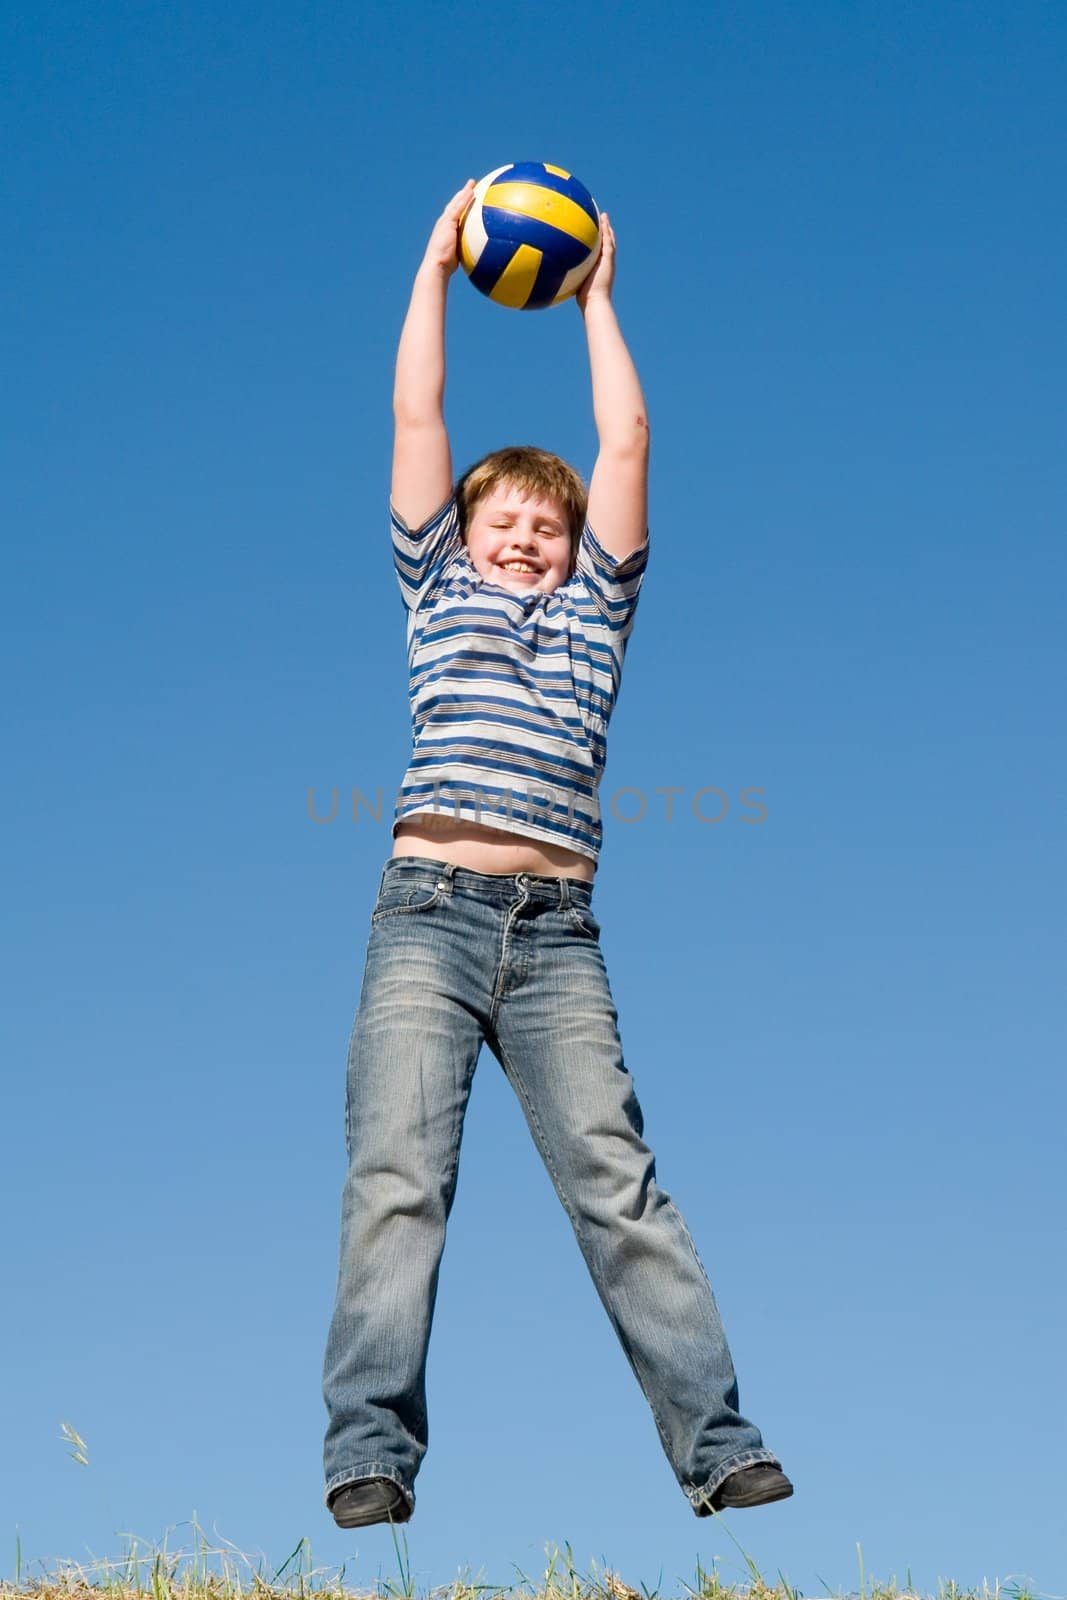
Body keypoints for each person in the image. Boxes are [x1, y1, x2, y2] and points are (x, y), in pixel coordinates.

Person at [321, 179, 793, 1528]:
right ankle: (368, 1456)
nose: (525, 535)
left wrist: (594, 296)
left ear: (578, 547)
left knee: (616, 1184)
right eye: (502, 522)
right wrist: (431, 266)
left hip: (558, 941)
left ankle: (719, 1447)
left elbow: (627, 436)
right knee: (397, 1188)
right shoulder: (436, 590)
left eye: (547, 522)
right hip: (425, 915)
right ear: (461, 542)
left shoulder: (597, 616)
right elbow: (421, 416)